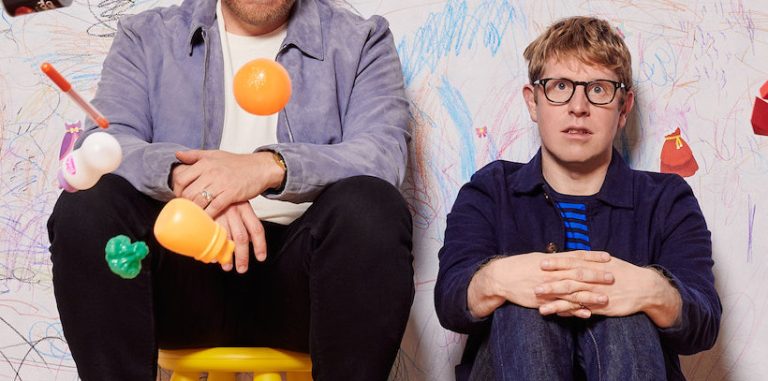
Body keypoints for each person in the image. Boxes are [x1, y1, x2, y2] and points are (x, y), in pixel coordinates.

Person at [47, 0, 415, 380]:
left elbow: (382, 152)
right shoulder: (146, 36)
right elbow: (108, 143)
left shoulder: (361, 39)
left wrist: (266, 167)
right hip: (180, 282)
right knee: (89, 203)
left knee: (373, 206)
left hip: (306, 286)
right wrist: (198, 184)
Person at [434, 16, 721, 381]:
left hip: (634, 360)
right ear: (533, 101)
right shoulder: (491, 189)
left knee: (627, 310)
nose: (578, 106)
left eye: (598, 89)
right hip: (512, 363)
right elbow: (449, 303)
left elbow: (704, 323)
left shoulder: (666, 198)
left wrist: (651, 290)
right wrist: (496, 279)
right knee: (524, 308)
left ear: (624, 107)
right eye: (560, 86)